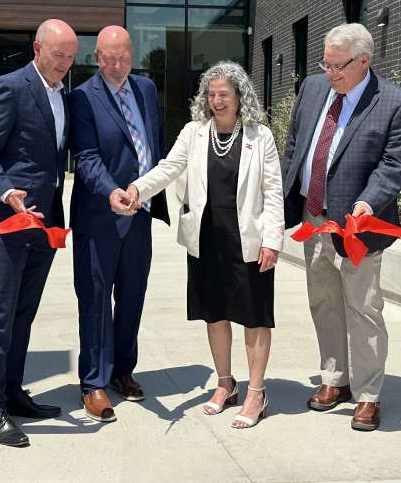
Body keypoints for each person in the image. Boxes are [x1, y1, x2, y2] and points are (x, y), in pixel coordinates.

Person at [114, 61, 284, 429]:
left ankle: (256, 392)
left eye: (224, 94)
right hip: (206, 240)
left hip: (249, 241)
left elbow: (273, 193)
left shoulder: (260, 137)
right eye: (211, 94)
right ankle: (226, 385)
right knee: (215, 314)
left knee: (254, 317)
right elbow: (169, 167)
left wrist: (273, 240)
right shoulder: (194, 132)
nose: (217, 100)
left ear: (240, 97)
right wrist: (137, 189)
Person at [282, 22, 401, 432]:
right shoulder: (313, 88)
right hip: (314, 217)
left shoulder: (395, 102)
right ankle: (334, 379)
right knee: (323, 300)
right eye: (325, 63)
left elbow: (394, 166)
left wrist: (367, 204)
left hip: (359, 226)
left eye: (338, 66)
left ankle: (369, 394)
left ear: (364, 61)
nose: (330, 73)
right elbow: (294, 142)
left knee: (363, 308)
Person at [0, 18, 77, 448]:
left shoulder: (62, 95)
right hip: (8, 220)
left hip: (45, 219)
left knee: (24, 312)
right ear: (37, 48)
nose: (64, 65)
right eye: (58, 55)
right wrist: (5, 190)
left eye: (70, 58)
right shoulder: (11, 87)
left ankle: (13, 392)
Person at [67, 26, 169, 423]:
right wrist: (112, 192)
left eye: (123, 57)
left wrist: (149, 191)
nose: (116, 65)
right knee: (95, 300)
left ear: (133, 53)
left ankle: (122, 369)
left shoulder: (145, 89)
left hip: (139, 216)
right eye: (108, 58)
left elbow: (153, 146)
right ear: (96, 56)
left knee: (132, 297)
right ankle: (93, 382)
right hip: (99, 217)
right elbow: (87, 157)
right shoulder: (82, 97)